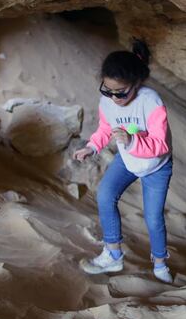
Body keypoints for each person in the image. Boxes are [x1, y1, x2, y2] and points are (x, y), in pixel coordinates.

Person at [74, 39, 174, 283]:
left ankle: (160, 263)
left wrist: (131, 142)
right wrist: (92, 146)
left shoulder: (151, 102)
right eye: (107, 90)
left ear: (137, 83)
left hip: (156, 166)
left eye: (121, 92)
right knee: (105, 196)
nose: (114, 97)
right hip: (128, 159)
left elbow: (160, 145)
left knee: (153, 217)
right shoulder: (107, 100)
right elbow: (105, 127)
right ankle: (113, 253)